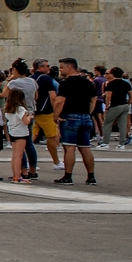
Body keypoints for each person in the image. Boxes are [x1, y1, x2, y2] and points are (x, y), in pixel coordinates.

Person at [52, 57, 99, 185]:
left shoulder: (66, 83)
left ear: (69, 67)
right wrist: (88, 113)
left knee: (69, 148)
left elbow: (60, 100)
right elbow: (94, 99)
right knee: (85, 148)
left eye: (61, 67)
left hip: (71, 116)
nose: (60, 70)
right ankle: (91, 176)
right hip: (85, 117)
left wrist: (56, 116)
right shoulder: (87, 82)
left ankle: (68, 176)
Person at [30, 59, 63, 173]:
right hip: (45, 111)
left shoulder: (31, 78)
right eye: (47, 66)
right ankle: (56, 162)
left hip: (33, 110)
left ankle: (29, 161)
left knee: (31, 137)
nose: (49, 68)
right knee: (52, 137)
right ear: (41, 67)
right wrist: (56, 112)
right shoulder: (46, 78)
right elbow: (53, 96)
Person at [4, 86, 33, 183]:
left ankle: (14, 175)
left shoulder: (8, 108)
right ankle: (17, 176)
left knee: (14, 155)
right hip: (21, 132)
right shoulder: (21, 109)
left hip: (12, 131)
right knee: (19, 155)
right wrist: (29, 117)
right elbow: (26, 122)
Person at [100, 67, 132, 150]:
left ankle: (105, 143)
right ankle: (121, 144)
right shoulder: (126, 83)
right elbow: (131, 95)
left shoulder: (111, 83)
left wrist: (107, 106)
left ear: (113, 74)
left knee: (107, 123)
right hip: (124, 105)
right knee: (122, 125)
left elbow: (108, 96)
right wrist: (128, 103)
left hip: (115, 105)